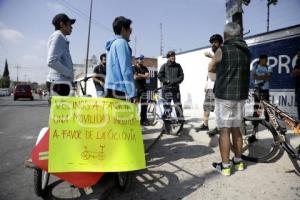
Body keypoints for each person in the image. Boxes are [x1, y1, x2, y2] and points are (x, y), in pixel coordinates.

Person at [208, 22, 251, 176]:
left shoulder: (223, 49)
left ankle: (225, 166)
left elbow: (210, 67)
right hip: (240, 97)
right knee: (236, 129)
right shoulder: (247, 51)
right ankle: (238, 162)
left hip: (224, 96)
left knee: (224, 131)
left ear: (226, 35)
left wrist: (219, 70)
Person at [196, 34, 223, 136]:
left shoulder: (222, 53)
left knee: (218, 109)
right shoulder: (216, 54)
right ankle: (205, 124)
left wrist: (211, 57)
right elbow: (210, 71)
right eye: (212, 42)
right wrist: (206, 84)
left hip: (218, 86)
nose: (213, 44)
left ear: (220, 43)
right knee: (206, 106)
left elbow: (221, 65)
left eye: (215, 42)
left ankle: (219, 127)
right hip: (210, 86)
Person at [105, 16, 135, 100]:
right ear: (123, 29)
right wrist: (132, 93)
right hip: (118, 89)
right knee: (121, 113)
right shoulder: (122, 43)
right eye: (129, 29)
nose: (130, 32)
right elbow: (126, 71)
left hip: (110, 87)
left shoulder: (112, 45)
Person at [46, 13, 76, 96]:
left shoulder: (60, 37)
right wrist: (69, 73)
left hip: (60, 82)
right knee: (62, 109)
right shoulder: (58, 37)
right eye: (69, 24)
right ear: (62, 24)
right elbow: (51, 61)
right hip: (59, 83)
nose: (72, 27)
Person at [158, 50, 184, 122]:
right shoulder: (164, 66)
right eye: (171, 56)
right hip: (167, 89)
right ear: (168, 57)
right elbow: (160, 76)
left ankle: (180, 119)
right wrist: (167, 81)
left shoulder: (178, 66)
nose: (173, 57)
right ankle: (167, 119)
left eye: (174, 56)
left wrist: (175, 81)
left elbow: (181, 76)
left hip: (175, 89)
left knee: (178, 104)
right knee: (167, 105)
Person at [252, 54, 272, 123]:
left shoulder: (269, 67)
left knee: (266, 106)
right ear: (260, 59)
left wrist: (258, 76)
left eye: (267, 60)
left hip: (265, 89)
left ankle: (267, 120)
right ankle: (255, 120)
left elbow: (269, 77)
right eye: (265, 60)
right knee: (257, 105)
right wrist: (264, 76)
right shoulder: (255, 66)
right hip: (257, 89)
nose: (266, 61)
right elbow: (253, 77)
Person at [133, 54, 150, 125]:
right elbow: (135, 77)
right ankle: (134, 119)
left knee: (144, 105)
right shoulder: (133, 68)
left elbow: (148, 77)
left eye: (142, 58)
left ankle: (143, 120)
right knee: (135, 105)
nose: (142, 60)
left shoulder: (145, 68)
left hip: (144, 89)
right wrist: (144, 76)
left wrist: (139, 75)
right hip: (136, 89)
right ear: (136, 60)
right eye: (140, 58)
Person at [291, 50, 300, 120]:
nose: (298, 55)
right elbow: (292, 74)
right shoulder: (297, 63)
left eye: (299, 54)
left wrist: (296, 72)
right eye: (297, 54)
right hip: (298, 87)